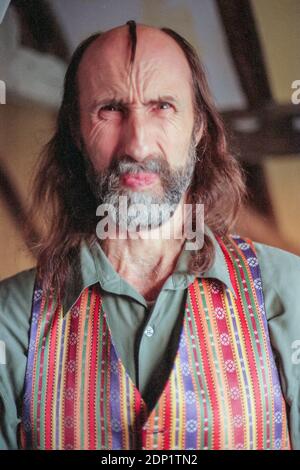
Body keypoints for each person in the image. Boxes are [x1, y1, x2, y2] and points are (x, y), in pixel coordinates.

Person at [0, 20, 300, 451]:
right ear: (76, 133)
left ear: (198, 128)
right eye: (110, 109)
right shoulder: (11, 320)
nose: (137, 145)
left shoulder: (289, 290)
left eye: (162, 106)